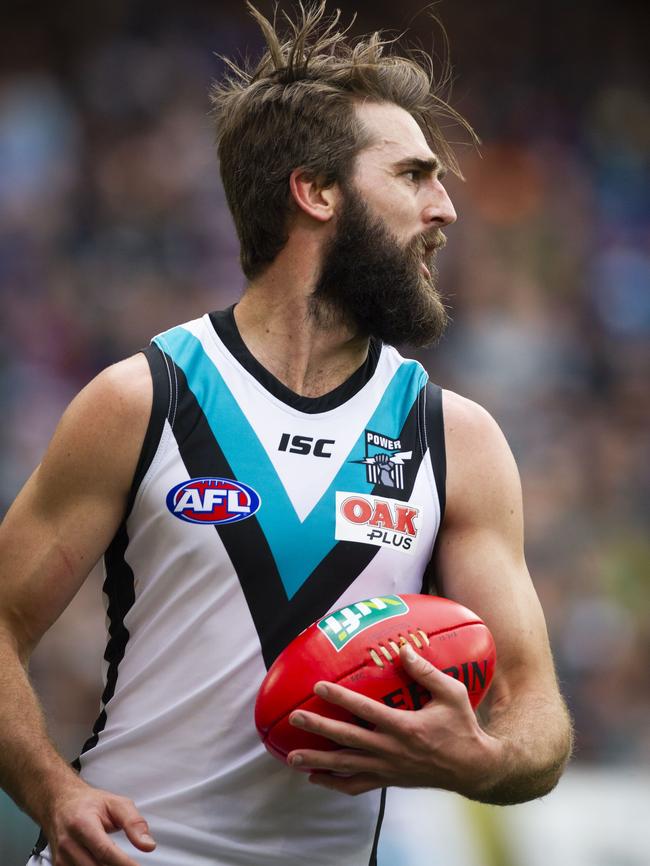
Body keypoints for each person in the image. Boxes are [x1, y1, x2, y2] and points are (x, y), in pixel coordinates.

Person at [0, 4, 573, 866]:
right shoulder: (142, 397)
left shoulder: (457, 438)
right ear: (315, 191)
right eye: (414, 175)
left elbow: (539, 715)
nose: (447, 208)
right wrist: (52, 790)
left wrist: (481, 759)